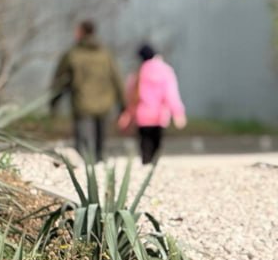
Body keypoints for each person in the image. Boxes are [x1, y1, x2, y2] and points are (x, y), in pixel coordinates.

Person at [50, 20, 126, 162]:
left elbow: (59, 81)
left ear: (81, 33)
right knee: (100, 142)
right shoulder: (105, 54)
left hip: (82, 104)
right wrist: (123, 105)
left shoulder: (72, 54)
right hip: (104, 104)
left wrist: (54, 102)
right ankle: (99, 166)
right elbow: (117, 80)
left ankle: (85, 172)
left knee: (84, 144)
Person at [118, 43, 187, 165]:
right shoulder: (166, 70)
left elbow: (131, 97)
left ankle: (146, 165)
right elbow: (171, 94)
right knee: (156, 144)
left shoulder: (138, 73)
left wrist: (126, 115)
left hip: (143, 117)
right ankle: (153, 168)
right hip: (159, 116)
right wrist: (178, 113)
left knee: (145, 145)